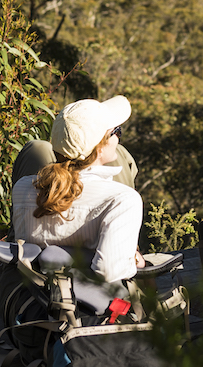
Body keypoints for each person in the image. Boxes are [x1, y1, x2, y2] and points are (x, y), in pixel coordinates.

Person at [11, 95, 145, 284]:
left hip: (28, 299)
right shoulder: (123, 199)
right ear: (99, 148)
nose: (118, 138)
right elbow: (109, 272)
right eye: (116, 132)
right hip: (85, 308)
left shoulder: (23, 188)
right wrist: (133, 260)